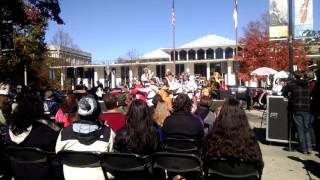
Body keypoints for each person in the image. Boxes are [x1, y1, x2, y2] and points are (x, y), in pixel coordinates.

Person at [56, 96, 115, 180]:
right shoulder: (108, 133)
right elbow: (111, 160)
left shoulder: (64, 133)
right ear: (97, 113)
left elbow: (58, 154)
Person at [204, 97, 264, 173]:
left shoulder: (212, 138)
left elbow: (205, 164)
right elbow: (259, 165)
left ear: (221, 116)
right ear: (242, 117)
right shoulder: (251, 139)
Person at [282, 71, 313, 154]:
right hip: (307, 108)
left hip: (297, 108)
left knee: (300, 129)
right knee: (307, 128)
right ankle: (309, 148)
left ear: (294, 77)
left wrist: (290, 96)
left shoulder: (291, 84)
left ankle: (304, 148)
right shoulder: (306, 84)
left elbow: (284, 93)